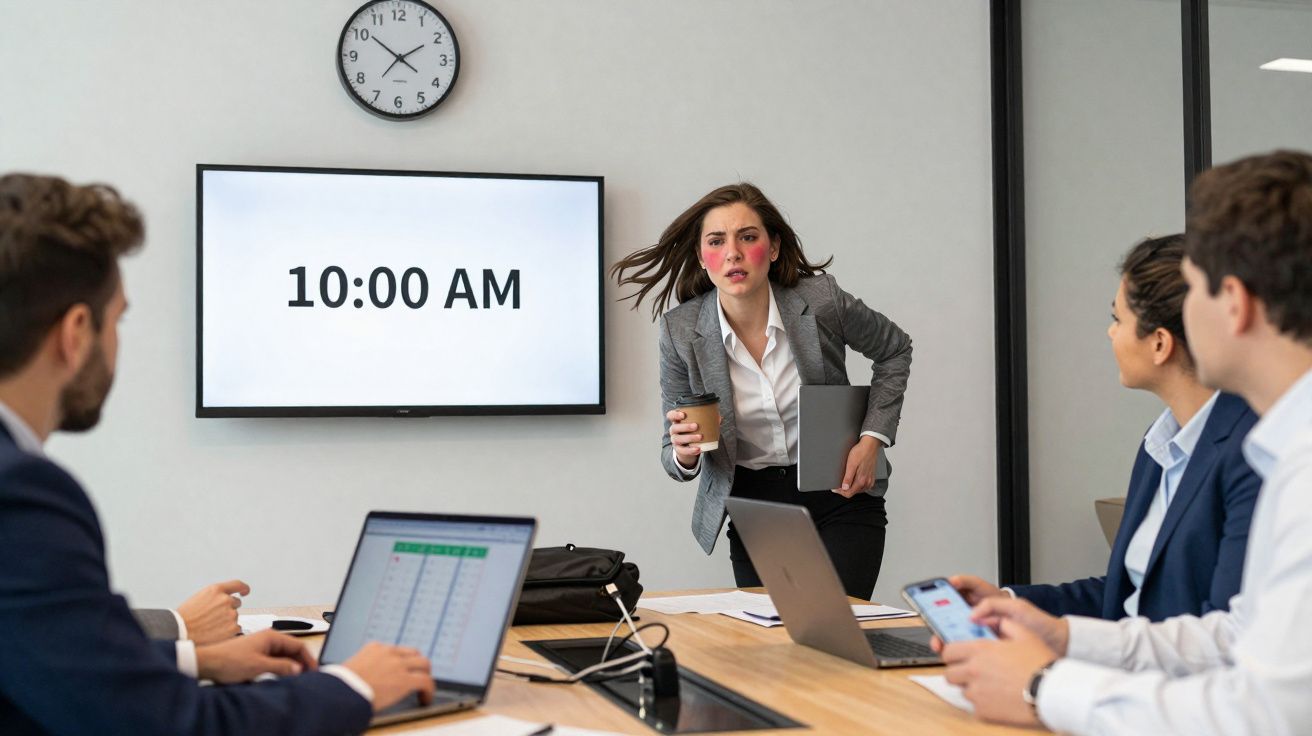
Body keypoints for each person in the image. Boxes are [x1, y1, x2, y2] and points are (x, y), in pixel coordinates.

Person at [0, 173, 435, 735]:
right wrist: (356, 685)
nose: (118, 343)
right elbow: (176, 729)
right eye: (119, 319)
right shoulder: (22, 493)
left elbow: (39, 654)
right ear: (76, 332)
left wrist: (197, 659)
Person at [936, 149, 1312, 734]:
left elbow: (1267, 713)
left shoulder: (1294, 462)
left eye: (1194, 290)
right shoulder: (1283, 447)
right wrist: (1060, 635)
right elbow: (1237, 634)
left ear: (1233, 304)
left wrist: (1042, 686)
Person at [611, 183, 912, 599]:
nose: (732, 252)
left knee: (838, 636)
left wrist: (872, 439)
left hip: (840, 494)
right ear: (702, 258)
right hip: (756, 509)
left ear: (772, 248)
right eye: (717, 241)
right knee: (769, 646)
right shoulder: (680, 331)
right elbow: (672, 451)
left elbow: (895, 349)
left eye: (747, 237)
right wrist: (682, 453)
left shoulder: (820, 301)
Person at [952, 235, 1259, 622]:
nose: (1110, 333)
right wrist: (1007, 603)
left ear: (1160, 344)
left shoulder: (1252, 452)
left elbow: (1224, 632)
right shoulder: (1159, 445)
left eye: (1118, 319)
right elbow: (1125, 598)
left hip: (1173, 679)